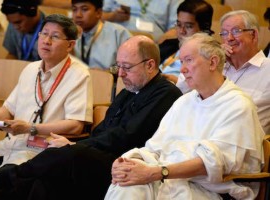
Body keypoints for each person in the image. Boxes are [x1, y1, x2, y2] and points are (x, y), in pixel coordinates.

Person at [0, 35, 182, 200]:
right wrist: (73, 144)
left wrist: (74, 146)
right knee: (45, 180)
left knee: (67, 156)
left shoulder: (166, 93)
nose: (121, 74)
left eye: (126, 68)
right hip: (99, 153)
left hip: (124, 163)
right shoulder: (129, 90)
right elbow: (102, 130)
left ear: (150, 65)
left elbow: (126, 136)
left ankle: (0, 179)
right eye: (118, 67)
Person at [104, 33, 265, 200]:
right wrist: (127, 162)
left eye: (188, 60)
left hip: (212, 191)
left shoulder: (238, 104)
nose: (182, 69)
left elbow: (215, 163)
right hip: (168, 179)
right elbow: (155, 148)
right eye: (181, 62)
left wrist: (158, 172)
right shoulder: (184, 102)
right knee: (126, 184)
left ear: (213, 62)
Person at [0, 13, 93, 183]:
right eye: (44, 33)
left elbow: (76, 125)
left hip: (41, 153)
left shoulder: (79, 75)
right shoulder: (31, 69)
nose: (46, 40)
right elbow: (8, 109)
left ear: (70, 45)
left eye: (55, 36)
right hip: (11, 146)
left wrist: (31, 128)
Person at [176, 10, 270, 134]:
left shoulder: (267, 70)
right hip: (199, 133)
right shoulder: (216, 65)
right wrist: (210, 60)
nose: (229, 38)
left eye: (236, 31)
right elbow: (180, 92)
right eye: (224, 33)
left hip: (239, 141)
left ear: (254, 35)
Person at [159, 0, 214, 83]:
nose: (182, 31)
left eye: (188, 26)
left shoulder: (210, 55)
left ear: (204, 28)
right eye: (179, 25)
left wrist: (178, 83)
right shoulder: (168, 45)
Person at [72, 0, 131, 70]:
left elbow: (130, 64)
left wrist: (108, 72)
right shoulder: (70, 35)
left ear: (98, 13)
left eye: (84, 9)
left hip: (112, 79)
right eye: (74, 9)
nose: (78, 15)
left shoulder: (118, 33)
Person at [101, 0, 183, 43]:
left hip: (153, 44)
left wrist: (158, 46)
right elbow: (98, 16)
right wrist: (113, 16)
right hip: (116, 39)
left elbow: (177, 28)